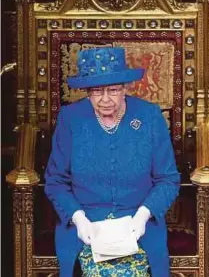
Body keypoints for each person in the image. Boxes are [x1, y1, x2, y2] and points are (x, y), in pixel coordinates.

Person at [45, 47, 180, 277]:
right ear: (87, 92)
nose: (105, 99)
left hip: (138, 225)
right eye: (97, 91)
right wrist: (78, 219)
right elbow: (56, 181)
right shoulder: (71, 119)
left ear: (126, 88)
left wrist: (143, 215)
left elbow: (168, 179)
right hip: (87, 226)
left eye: (114, 90)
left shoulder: (149, 116)